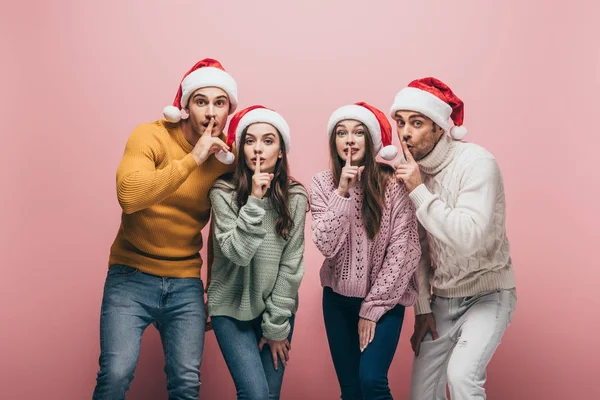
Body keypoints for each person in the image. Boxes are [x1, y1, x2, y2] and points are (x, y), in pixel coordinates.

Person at [92, 58, 238, 400]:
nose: (210, 113)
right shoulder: (151, 135)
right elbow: (129, 196)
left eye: (219, 103)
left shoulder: (225, 159)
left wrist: (210, 292)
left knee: (186, 382)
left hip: (184, 281)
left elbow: (220, 232)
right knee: (115, 374)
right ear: (184, 106)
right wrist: (193, 159)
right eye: (201, 101)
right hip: (130, 276)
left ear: (229, 110)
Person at [389, 77, 517, 400]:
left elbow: (468, 237)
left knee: (461, 377)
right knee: (420, 394)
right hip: (443, 299)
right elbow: (414, 247)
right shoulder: (411, 171)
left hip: (489, 292)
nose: (405, 132)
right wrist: (421, 309)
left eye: (416, 123)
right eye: (401, 122)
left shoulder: (477, 163)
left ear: (439, 127)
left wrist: (418, 190)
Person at [310, 102, 421, 400]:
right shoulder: (322, 184)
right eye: (342, 132)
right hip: (337, 301)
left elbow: (404, 252)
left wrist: (372, 311)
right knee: (351, 390)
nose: (349, 139)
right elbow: (325, 245)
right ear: (334, 141)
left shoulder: (394, 184)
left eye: (358, 132)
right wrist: (342, 193)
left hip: (384, 303)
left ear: (371, 140)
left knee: (372, 381)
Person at [207, 105, 308, 400]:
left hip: (275, 309)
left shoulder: (296, 197)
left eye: (268, 141)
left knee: (269, 396)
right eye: (250, 141)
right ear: (241, 149)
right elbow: (237, 253)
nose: (258, 150)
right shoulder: (222, 192)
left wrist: (277, 326)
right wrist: (254, 200)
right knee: (255, 395)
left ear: (281, 151)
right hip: (230, 308)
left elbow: (291, 265)